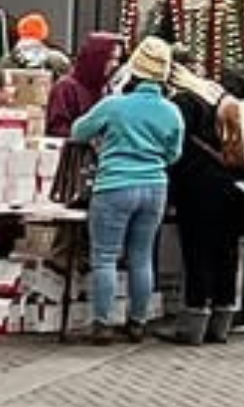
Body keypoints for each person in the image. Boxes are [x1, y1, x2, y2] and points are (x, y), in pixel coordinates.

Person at [71, 45, 186, 342]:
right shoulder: (172, 111)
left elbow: (78, 131)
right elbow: (174, 154)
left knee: (106, 257)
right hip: (155, 186)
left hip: (114, 185)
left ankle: (103, 323)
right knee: (142, 256)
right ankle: (137, 321)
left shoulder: (115, 105)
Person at [157, 59, 244, 345]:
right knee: (227, 252)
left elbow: (177, 149)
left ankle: (194, 322)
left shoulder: (184, 102)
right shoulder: (220, 96)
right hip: (233, 182)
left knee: (197, 252)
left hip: (197, 186)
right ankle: (222, 320)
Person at [44, 30, 125, 138]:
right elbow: (57, 128)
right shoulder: (65, 88)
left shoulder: (106, 88)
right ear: (96, 57)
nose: (115, 64)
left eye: (117, 59)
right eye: (111, 58)